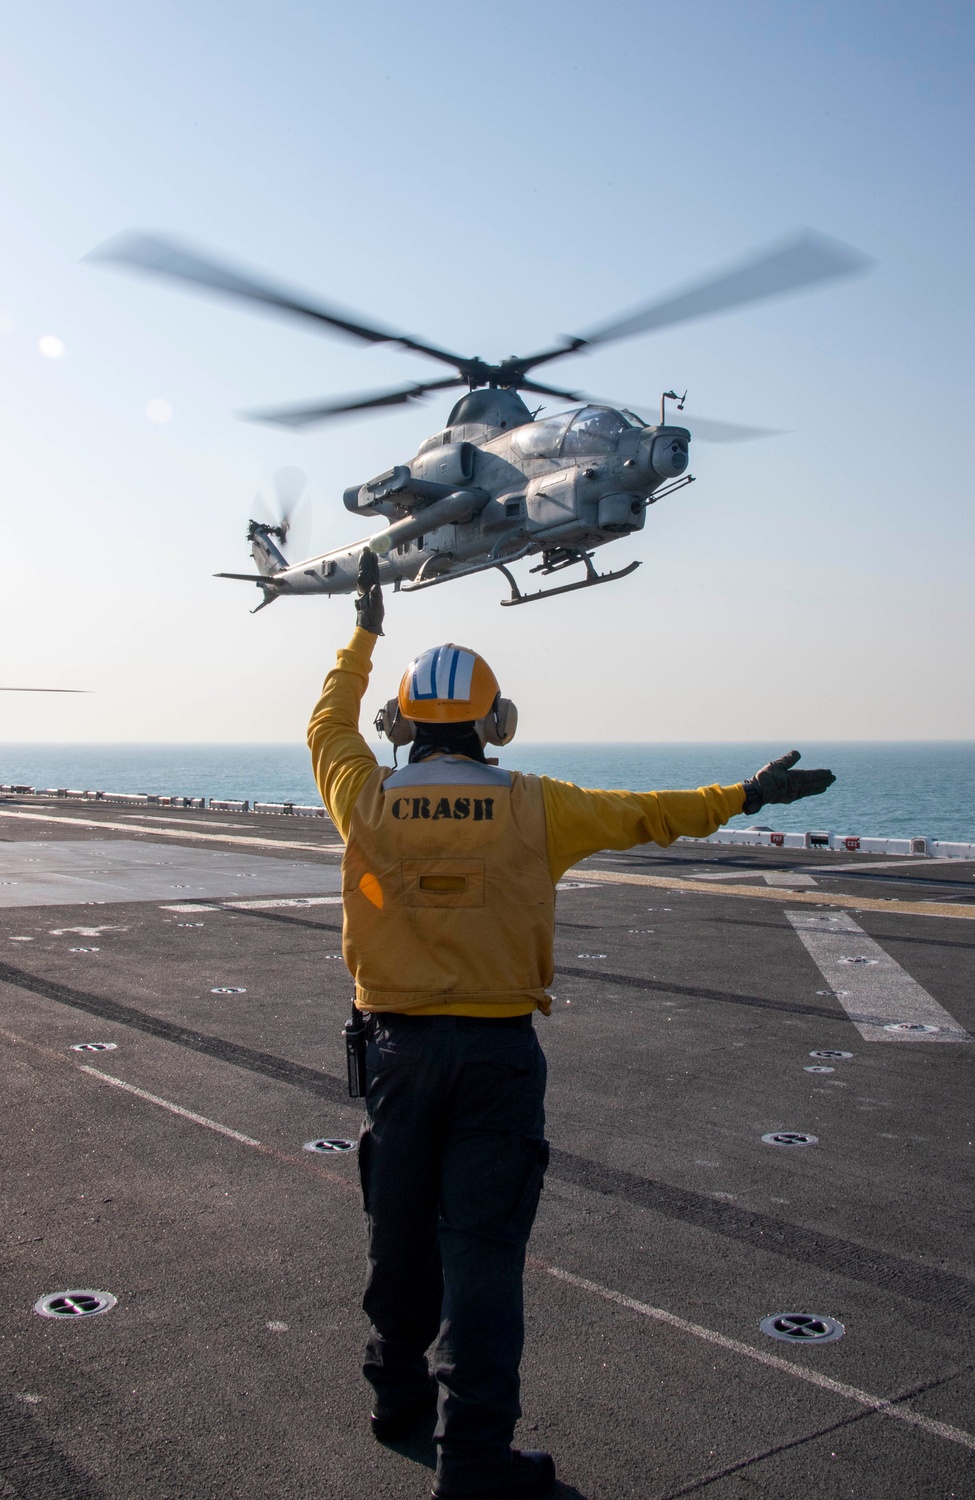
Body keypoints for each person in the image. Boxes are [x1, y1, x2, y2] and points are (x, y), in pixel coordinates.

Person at [307, 551, 835, 1500]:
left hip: (394, 1056)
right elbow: (651, 814)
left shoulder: (364, 797)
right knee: (483, 1258)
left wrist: (364, 632)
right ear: (495, 723)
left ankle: (395, 1403)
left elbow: (326, 724)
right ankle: (473, 1464)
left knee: (396, 1232)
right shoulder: (535, 806)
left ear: (401, 727)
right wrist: (746, 797)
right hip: (498, 1060)